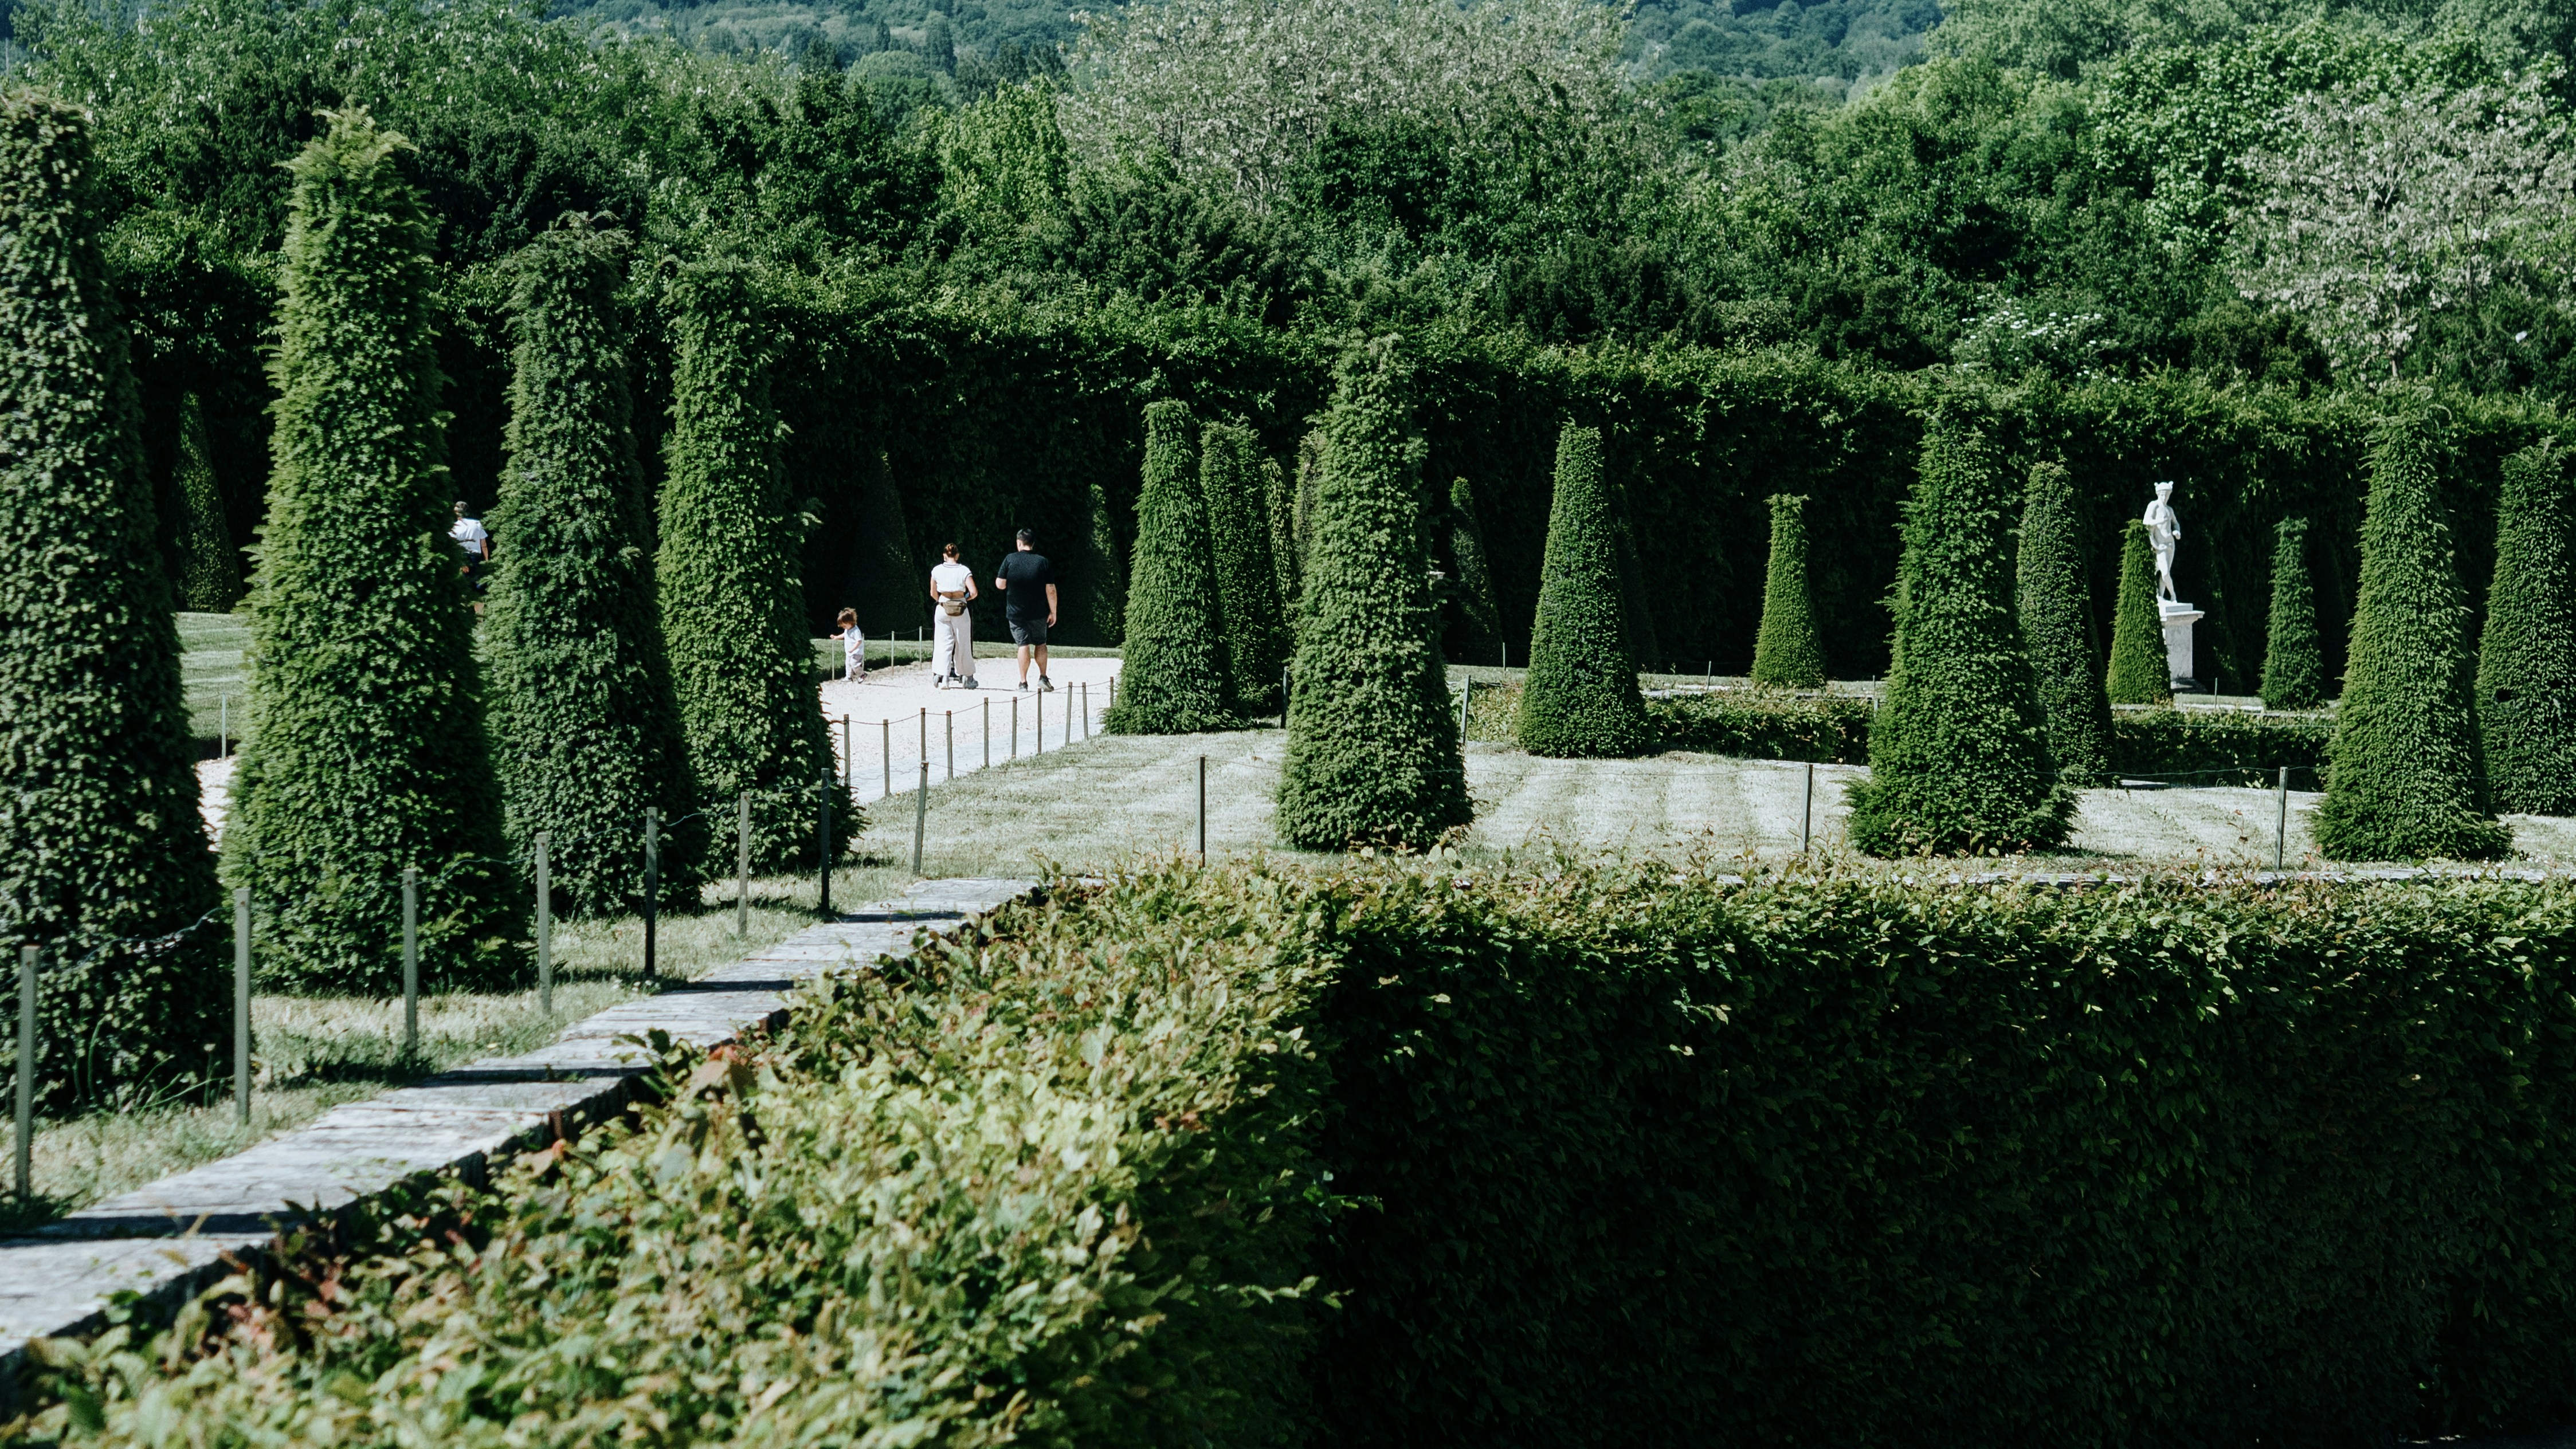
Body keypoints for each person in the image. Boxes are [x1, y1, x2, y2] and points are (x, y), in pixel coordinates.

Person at [993, 527, 1058, 691]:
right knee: (1041, 644)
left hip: (1016, 613)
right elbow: (1051, 589)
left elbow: (1000, 585)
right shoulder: (1042, 562)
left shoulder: (1010, 559)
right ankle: (1043, 677)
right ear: (1033, 543)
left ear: (1019, 543)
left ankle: (1023, 682)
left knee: (1023, 645)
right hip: (1038, 612)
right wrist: (1053, 612)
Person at [929, 542, 978, 689]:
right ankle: (966, 675)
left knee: (942, 643)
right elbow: (974, 592)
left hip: (943, 606)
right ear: (957, 555)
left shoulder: (937, 570)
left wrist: (942, 603)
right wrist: (965, 599)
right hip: (960, 607)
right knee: (963, 643)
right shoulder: (964, 570)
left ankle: (944, 677)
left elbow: (933, 593)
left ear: (945, 556)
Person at [451, 501, 491, 613]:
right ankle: (479, 616)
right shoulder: (477, 524)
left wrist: (460, 563)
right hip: (476, 558)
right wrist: (487, 560)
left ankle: (465, 617)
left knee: (464, 589)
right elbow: (484, 544)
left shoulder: (454, 528)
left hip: (462, 559)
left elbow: (454, 548)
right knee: (479, 589)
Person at [833, 607, 865, 681]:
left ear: (850, 622)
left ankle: (862, 674)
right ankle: (849, 677)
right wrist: (836, 637)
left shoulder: (856, 631)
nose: (844, 628)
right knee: (848, 664)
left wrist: (853, 649)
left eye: (844, 626)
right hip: (849, 652)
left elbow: (859, 641)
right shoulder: (847, 629)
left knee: (854, 664)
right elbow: (844, 635)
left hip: (857, 652)